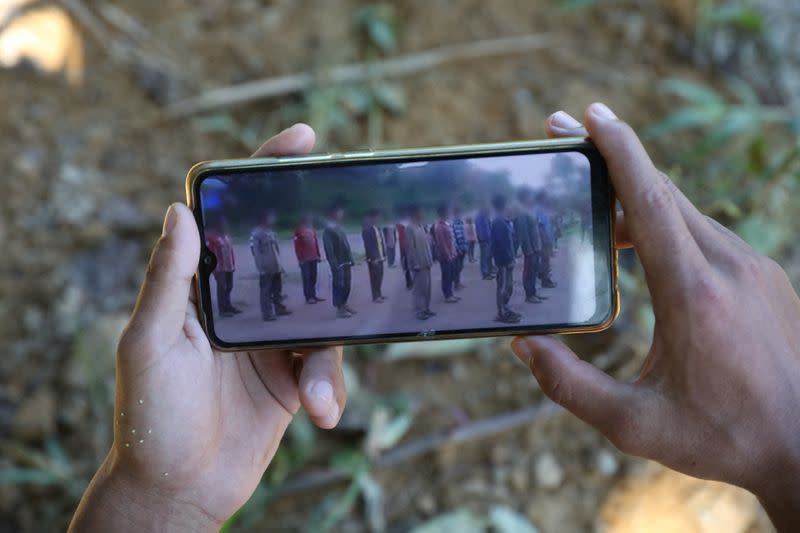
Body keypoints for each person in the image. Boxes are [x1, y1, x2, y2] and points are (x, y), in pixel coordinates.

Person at [70, 109, 800, 533]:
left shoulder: (466, 229)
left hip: (429, 268)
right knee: (406, 282)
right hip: (405, 269)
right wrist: (783, 446)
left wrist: (161, 498)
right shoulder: (322, 241)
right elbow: (378, 247)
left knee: (441, 281)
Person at [250, 209, 291, 321]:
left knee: (277, 288)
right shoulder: (256, 234)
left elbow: (276, 250)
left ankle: (279, 309)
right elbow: (256, 252)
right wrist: (260, 267)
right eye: (270, 217)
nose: (273, 219)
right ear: (264, 219)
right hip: (266, 267)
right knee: (266, 291)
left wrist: (280, 265)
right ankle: (267, 313)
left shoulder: (271, 232)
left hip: (275, 265)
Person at [490, 195, 519, 323]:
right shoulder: (499, 222)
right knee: (503, 287)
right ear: (503, 205)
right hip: (503, 261)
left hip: (506, 259)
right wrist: (509, 260)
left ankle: (505, 308)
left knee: (508, 287)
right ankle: (501, 313)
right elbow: (500, 244)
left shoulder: (503, 220)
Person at [323, 204, 356, 318]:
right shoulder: (329, 230)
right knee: (339, 285)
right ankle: (339, 308)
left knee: (347, 285)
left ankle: (344, 304)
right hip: (338, 263)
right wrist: (334, 264)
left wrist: (351, 259)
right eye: (339, 213)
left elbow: (346, 245)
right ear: (332, 215)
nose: (341, 215)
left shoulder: (339, 228)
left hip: (346, 261)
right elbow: (329, 249)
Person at [204, 216, 241, 316]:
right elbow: (210, 253)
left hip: (229, 267)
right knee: (222, 288)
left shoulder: (226, 237)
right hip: (219, 267)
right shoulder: (212, 237)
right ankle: (222, 310)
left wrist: (233, 264)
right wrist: (213, 269)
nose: (225, 225)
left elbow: (231, 251)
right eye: (223, 223)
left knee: (229, 286)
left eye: (225, 223)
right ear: (217, 225)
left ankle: (228, 306)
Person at [404, 204, 435, 320]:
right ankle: (419, 311)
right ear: (415, 213)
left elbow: (427, 245)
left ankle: (426, 308)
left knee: (427, 288)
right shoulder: (409, 228)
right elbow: (410, 248)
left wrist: (430, 259)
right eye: (420, 212)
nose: (423, 214)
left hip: (426, 262)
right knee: (419, 289)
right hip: (418, 264)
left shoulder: (421, 226)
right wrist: (414, 263)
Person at [515, 187, 545, 304]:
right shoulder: (522, 212)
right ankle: (529, 295)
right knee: (529, 272)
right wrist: (528, 250)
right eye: (529, 196)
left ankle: (533, 292)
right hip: (530, 249)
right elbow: (523, 233)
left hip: (535, 247)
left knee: (534, 271)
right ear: (524, 198)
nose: (531, 198)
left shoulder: (528, 210)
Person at [293, 213, 324, 304]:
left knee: (313, 276)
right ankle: (308, 297)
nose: (310, 220)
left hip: (313, 257)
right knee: (306, 277)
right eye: (309, 219)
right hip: (305, 258)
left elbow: (315, 243)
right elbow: (297, 246)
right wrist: (300, 258)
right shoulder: (299, 231)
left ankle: (313, 295)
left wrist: (318, 254)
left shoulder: (312, 229)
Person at [433, 203, 460, 303]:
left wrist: (454, 252)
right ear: (443, 212)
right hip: (445, 256)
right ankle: (447, 295)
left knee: (451, 274)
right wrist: (449, 255)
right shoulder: (439, 226)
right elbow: (442, 244)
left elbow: (451, 240)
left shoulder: (446, 224)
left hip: (451, 254)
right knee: (446, 275)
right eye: (447, 211)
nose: (448, 213)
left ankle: (450, 293)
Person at [362, 208, 387, 303]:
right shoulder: (367, 229)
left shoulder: (377, 228)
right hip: (374, 258)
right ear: (371, 218)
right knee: (374, 277)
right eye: (377, 217)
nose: (378, 219)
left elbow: (380, 242)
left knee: (380, 276)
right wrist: (373, 258)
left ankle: (379, 294)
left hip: (380, 256)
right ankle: (375, 296)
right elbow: (368, 246)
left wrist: (383, 254)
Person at [535, 192, 557, 288]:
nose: (547, 200)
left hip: (547, 239)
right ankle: (545, 280)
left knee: (546, 261)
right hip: (544, 240)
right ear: (542, 199)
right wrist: (546, 241)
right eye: (546, 198)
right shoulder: (538, 209)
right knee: (545, 261)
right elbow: (540, 226)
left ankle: (546, 278)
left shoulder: (543, 209)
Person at [475, 204, 495, 280]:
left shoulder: (485, 217)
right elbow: (480, 230)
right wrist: (482, 239)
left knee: (488, 257)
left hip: (488, 240)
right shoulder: (480, 217)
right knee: (484, 257)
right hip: (484, 241)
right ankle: (485, 273)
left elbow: (489, 228)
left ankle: (489, 271)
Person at [451, 203, 468, 289]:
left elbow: (464, 235)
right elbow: (453, 237)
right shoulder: (453, 223)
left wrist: (466, 246)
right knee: (457, 267)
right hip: (458, 249)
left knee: (461, 266)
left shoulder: (461, 222)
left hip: (463, 247)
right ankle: (456, 283)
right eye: (458, 212)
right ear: (455, 213)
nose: (459, 214)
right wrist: (457, 248)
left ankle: (458, 282)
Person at [396, 210, 414, 289]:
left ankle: (410, 282)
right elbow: (402, 239)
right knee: (407, 266)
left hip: (406, 247)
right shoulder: (402, 226)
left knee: (408, 265)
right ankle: (409, 282)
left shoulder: (404, 225)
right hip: (406, 248)